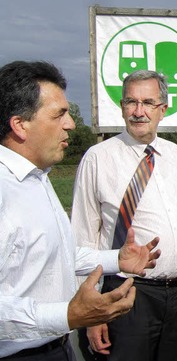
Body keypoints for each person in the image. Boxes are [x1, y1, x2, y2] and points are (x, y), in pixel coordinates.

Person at [0, 60, 161, 360]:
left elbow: (61, 254)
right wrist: (68, 315)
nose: (71, 123)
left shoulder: (37, 179)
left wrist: (118, 259)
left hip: (58, 348)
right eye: (59, 114)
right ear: (20, 124)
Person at [71, 70, 177, 361]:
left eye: (148, 102)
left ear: (163, 109)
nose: (138, 111)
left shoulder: (175, 154)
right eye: (130, 102)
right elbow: (83, 235)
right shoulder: (98, 157)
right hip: (127, 294)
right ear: (121, 107)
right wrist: (92, 311)